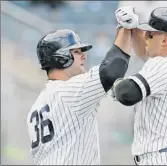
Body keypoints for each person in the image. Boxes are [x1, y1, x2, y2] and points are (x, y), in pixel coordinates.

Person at [26, 26, 135, 165]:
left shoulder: (36, 106)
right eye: (77, 52)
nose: (84, 55)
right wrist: (124, 29)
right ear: (60, 58)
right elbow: (111, 71)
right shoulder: (68, 91)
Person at [113, 7, 167, 165]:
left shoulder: (163, 65)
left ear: (165, 40)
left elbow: (126, 93)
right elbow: (145, 52)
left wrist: (115, 84)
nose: (145, 37)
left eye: (150, 34)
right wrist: (134, 28)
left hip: (163, 158)